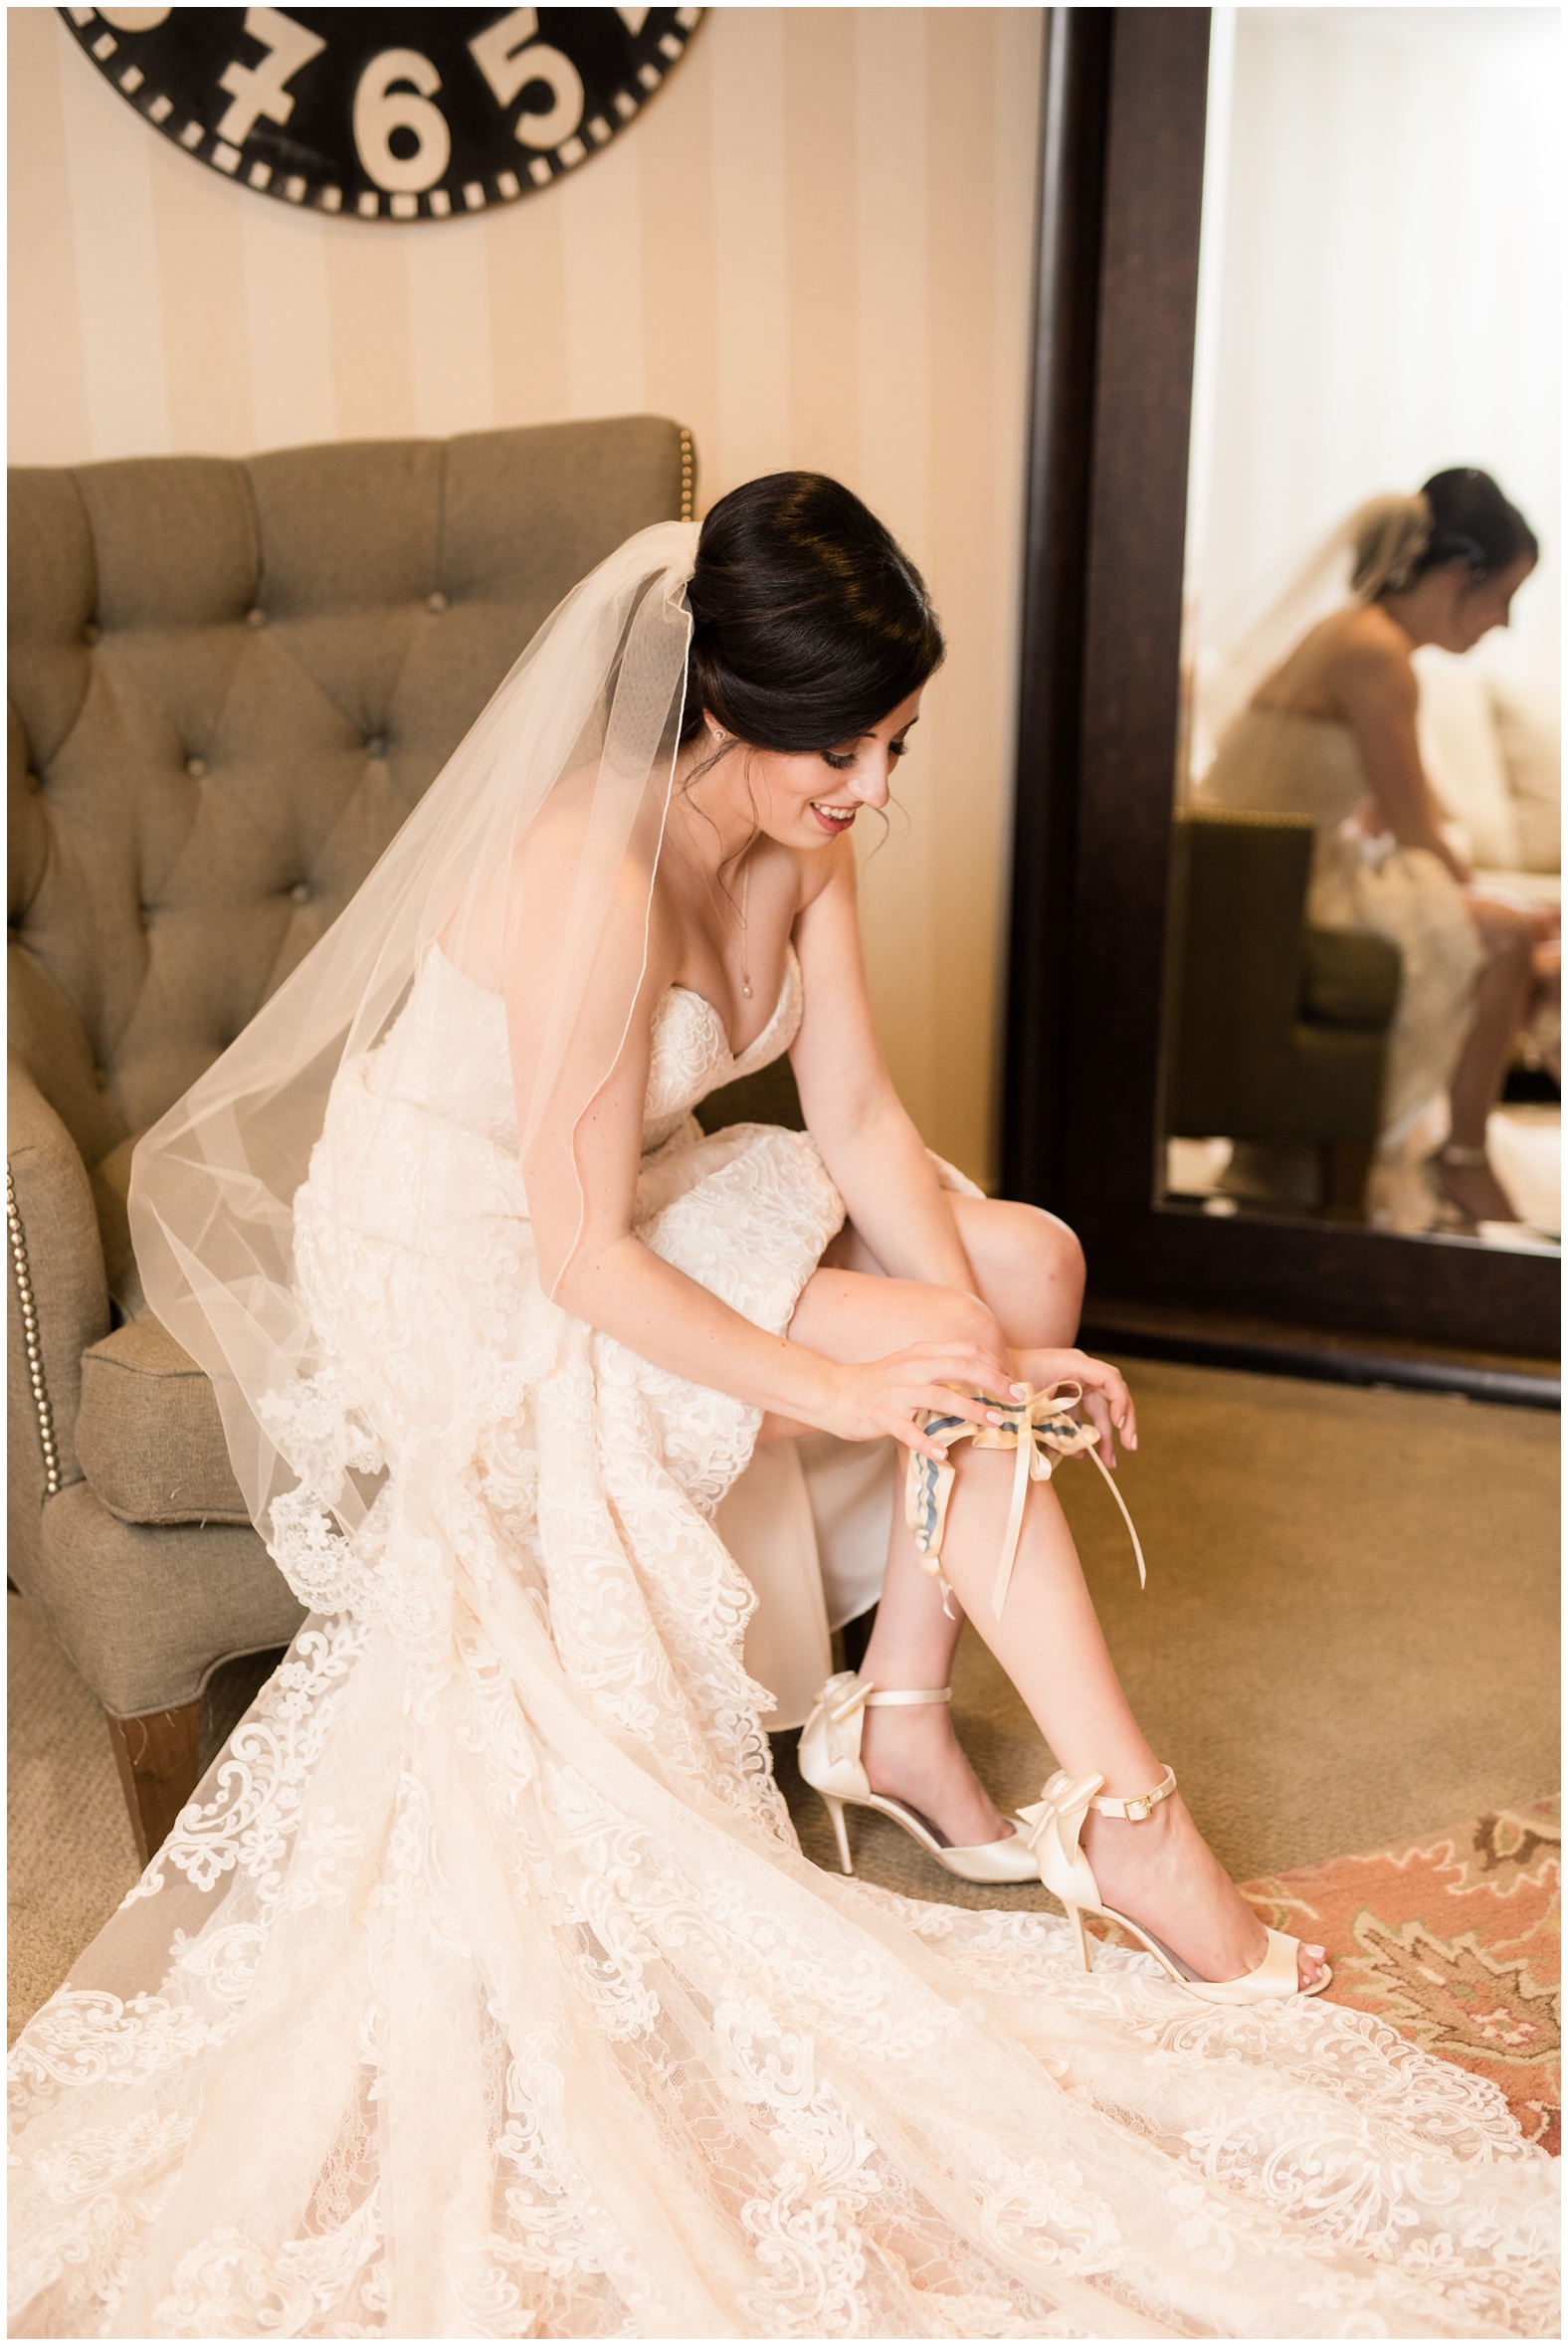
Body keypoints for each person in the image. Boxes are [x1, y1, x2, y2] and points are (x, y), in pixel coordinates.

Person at [9, 479, 1555, 2338]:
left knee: (1026, 1270)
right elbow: (574, 1258)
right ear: (724, 704)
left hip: (621, 1181)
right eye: (849, 746)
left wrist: (976, 1333)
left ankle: (904, 1719)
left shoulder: (809, 826)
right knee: (932, 1355)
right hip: (472, 1247)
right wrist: (853, 1371)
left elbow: (862, 1122)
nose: (879, 790)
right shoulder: (589, 873)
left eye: (899, 740)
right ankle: (1126, 1818)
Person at [1199, 469, 1553, 1231]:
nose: (1503, 623)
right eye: (1506, 597)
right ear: (1462, 574)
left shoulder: (1356, 636)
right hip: (1291, 889)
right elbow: (1418, 829)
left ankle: (1461, 1148)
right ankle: (1462, 1157)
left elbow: (1403, 815)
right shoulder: (1375, 652)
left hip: (1292, 875)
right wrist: (1509, 910)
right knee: (1511, 937)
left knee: (1527, 926)